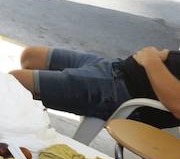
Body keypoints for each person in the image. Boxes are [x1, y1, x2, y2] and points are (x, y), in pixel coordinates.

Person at [10, 46, 180, 128]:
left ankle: (12, 133)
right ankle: (32, 116)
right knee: (31, 55)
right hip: (116, 68)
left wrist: (151, 59)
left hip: (121, 92)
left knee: (14, 80)